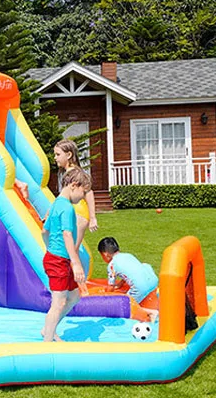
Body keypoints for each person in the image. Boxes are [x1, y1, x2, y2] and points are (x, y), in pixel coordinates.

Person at [41, 167, 92, 341]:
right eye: (83, 192)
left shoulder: (55, 204)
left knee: (74, 296)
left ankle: (48, 328)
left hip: (57, 258)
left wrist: (51, 250)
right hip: (59, 261)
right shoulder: (67, 209)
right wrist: (75, 262)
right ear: (74, 185)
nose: (82, 197)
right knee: (59, 302)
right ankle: (47, 343)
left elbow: (44, 231)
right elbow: (67, 234)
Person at [97, 236, 160, 321]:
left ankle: (150, 312)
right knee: (144, 265)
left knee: (123, 307)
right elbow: (132, 271)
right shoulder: (128, 255)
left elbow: (110, 288)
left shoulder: (112, 264)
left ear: (105, 254)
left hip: (140, 288)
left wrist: (104, 298)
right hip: (153, 281)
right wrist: (120, 284)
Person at [53, 139, 97, 247]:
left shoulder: (74, 173)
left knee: (71, 250)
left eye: (58, 154)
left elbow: (89, 192)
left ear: (68, 155)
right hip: (76, 213)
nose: (55, 158)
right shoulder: (70, 172)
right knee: (71, 249)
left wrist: (93, 218)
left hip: (79, 214)